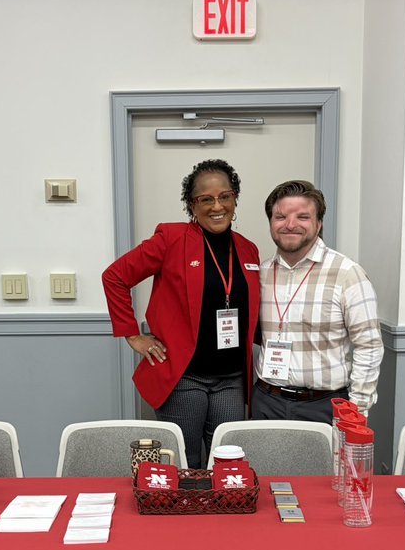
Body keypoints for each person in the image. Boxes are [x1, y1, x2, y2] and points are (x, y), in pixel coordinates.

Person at [103, 159, 261, 468]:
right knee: (185, 463)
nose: (217, 206)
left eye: (225, 196)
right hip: (184, 377)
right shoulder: (171, 239)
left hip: (231, 379)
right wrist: (133, 335)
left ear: (235, 199)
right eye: (206, 199)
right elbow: (115, 277)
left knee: (226, 461)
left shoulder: (247, 249)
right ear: (192, 205)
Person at [253, 180, 383, 423]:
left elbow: (369, 346)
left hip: (324, 406)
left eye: (303, 217)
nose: (290, 224)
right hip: (266, 401)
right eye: (280, 217)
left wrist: (356, 409)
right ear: (271, 222)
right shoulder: (260, 273)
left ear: (319, 223)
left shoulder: (347, 273)